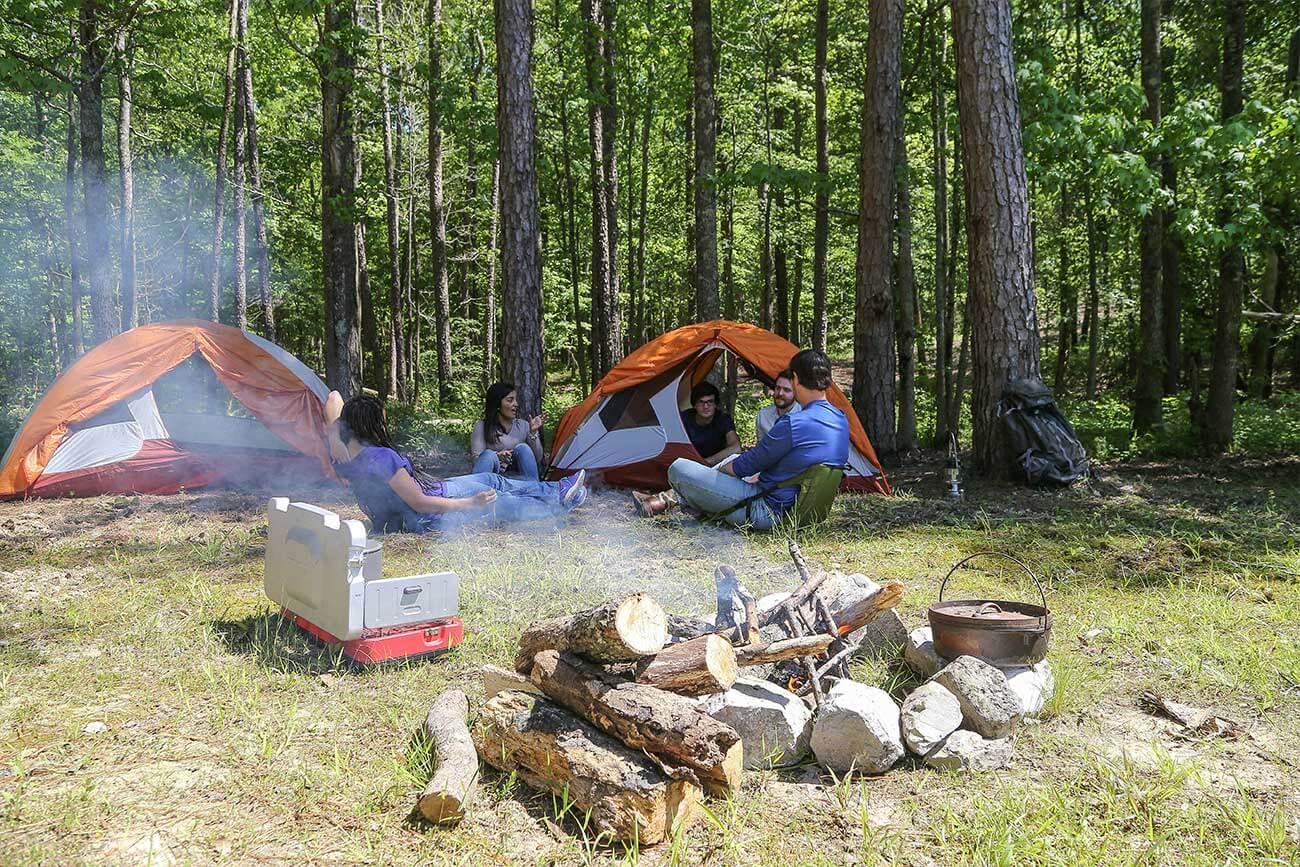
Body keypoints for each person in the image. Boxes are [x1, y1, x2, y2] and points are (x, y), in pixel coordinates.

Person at [633, 349, 847, 529]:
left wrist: (720, 472)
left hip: (768, 512)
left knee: (679, 468)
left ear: (797, 379)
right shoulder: (840, 419)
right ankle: (681, 501)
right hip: (808, 514)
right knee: (728, 468)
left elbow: (745, 465)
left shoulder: (795, 423)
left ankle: (679, 500)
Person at [325, 392, 586, 533]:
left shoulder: (344, 458)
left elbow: (333, 398)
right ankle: (557, 503)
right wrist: (469, 504)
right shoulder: (381, 457)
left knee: (490, 479)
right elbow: (419, 502)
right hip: (425, 515)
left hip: (407, 514)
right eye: (382, 420)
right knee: (496, 501)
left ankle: (557, 491)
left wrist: (339, 433)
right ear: (372, 425)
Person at [470, 382, 544, 479]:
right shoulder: (482, 426)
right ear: (497, 403)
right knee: (488, 455)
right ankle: (479, 489)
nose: (516, 404)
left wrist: (533, 433)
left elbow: (537, 458)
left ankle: (534, 488)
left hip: (519, 480)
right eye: (510, 400)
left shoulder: (524, 425)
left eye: (516, 400)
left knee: (523, 448)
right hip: (493, 479)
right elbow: (478, 461)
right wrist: (497, 456)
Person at [681, 382, 741, 467]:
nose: (706, 406)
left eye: (710, 402)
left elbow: (736, 448)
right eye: (701, 402)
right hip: (688, 466)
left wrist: (706, 462)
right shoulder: (684, 419)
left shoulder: (723, 419)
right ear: (694, 405)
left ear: (715, 404)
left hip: (716, 466)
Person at [755, 369, 801, 442]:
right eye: (778, 388)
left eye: (786, 390)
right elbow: (761, 448)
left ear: (796, 393)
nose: (780, 393)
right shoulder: (763, 415)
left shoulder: (804, 415)